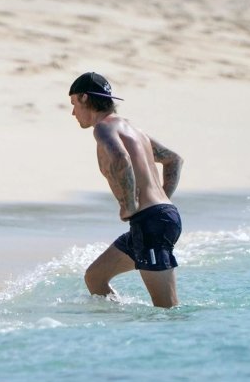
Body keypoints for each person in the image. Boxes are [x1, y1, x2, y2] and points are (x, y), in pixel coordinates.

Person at [69, 72, 184, 308]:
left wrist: (129, 204)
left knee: (168, 311)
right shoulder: (133, 131)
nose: (72, 113)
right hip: (154, 219)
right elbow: (174, 160)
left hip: (150, 222)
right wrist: (161, 203)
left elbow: (120, 158)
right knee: (95, 277)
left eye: (73, 104)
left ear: (84, 98)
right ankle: (124, 329)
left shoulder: (103, 128)